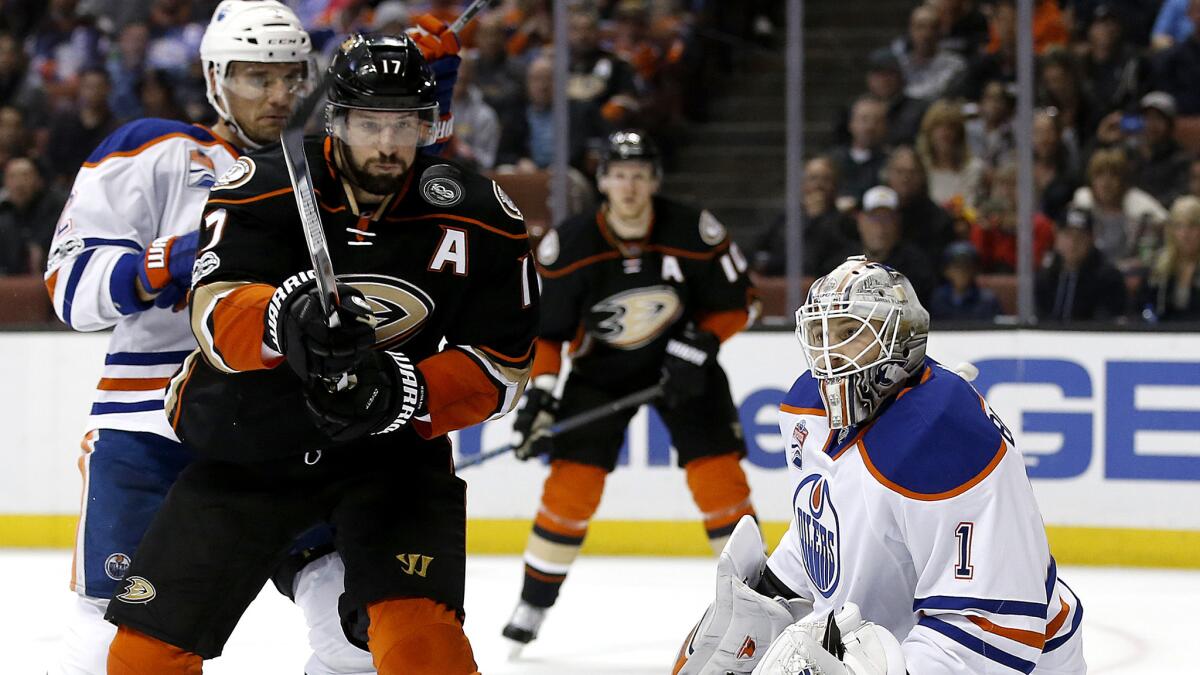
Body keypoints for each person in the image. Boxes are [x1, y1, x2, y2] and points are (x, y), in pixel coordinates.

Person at [101, 31, 533, 675]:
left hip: (388, 455)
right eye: (369, 123)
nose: (388, 144)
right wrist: (280, 316)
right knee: (142, 660)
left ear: (429, 123)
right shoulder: (264, 187)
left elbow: (505, 362)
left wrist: (407, 392)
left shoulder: (480, 217)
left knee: (426, 652)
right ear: (337, 119)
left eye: (405, 124)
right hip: (251, 445)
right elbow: (214, 317)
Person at [41, 4, 391, 674]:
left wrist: (428, 95)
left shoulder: (323, 177)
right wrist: (169, 259)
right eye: (257, 77)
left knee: (357, 631)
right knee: (115, 632)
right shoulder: (158, 150)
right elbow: (70, 285)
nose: (279, 94)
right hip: (149, 425)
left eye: (291, 77)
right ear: (214, 78)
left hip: (282, 426)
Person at [674, 257, 1086, 675]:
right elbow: (840, 523)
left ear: (901, 337)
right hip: (896, 647)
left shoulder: (944, 437)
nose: (829, 354)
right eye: (820, 334)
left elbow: (993, 631)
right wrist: (772, 597)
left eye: (850, 332)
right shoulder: (808, 409)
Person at [502, 130, 759, 650]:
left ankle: (760, 600)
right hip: (601, 375)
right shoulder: (567, 245)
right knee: (571, 488)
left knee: (720, 481)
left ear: (655, 180)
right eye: (619, 174)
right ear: (602, 182)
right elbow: (549, 333)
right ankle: (533, 601)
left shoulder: (694, 230)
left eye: (640, 174)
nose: (630, 186)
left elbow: (743, 303)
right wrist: (543, 396)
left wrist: (701, 341)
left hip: (684, 368)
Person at [838, 185, 935, 303]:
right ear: (860, 220)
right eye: (874, 217)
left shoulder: (917, 266)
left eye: (888, 218)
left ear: (898, 222)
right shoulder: (844, 263)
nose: (881, 226)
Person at [1036, 206, 1129, 322]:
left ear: (1091, 240)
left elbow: (1107, 323)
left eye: (1080, 236)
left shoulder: (1108, 278)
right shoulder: (1045, 277)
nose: (1073, 243)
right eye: (1067, 235)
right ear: (1057, 237)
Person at [1141, 195, 1200, 321]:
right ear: (1171, 231)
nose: (1185, 233)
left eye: (1192, 225)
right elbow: (1145, 307)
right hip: (1165, 334)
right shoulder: (1158, 266)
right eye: (1179, 226)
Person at [929, 240, 1002, 320]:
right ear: (946, 271)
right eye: (957, 267)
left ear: (974, 270)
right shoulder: (939, 299)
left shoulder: (987, 301)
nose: (962, 272)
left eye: (966, 267)